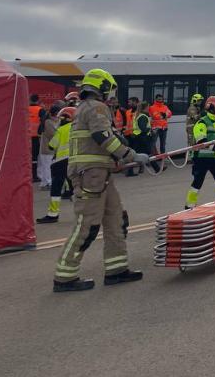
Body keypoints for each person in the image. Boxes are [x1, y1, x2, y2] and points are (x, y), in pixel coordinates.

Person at [52, 68, 149, 292]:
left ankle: (116, 269)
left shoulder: (85, 108)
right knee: (87, 226)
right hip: (91, 176)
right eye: (109, 89)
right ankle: (64, 277)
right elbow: (103, 137)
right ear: (102, 86)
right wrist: (131, 156)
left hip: (99, 174)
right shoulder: (96, 107)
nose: (111, 94)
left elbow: (103, 138)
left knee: (116, 220)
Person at [186, 96, 215, 209]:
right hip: (201, 158)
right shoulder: (201, 123)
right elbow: (202, 142)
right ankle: (189, 206)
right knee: (197, 183)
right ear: (210, 108)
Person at [37, 106, 75, 224]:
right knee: (77, 188)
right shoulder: (78, 128)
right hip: (76, 161)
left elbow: (52, 145)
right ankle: (88, 213)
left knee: (56, 188)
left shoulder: (61, 130)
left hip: (61, 162)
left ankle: (53, 214)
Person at [126, 101, 153, 177]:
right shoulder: (143, 116)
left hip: (137, 137)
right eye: (148, 106)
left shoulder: (138, 115)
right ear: (145, 107)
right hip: (142, 137)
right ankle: (156, 168)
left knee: (139, 153)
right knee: (147, 152)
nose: (149, 108)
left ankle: (131, 170)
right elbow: (143, 128)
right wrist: (149, 129)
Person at [38, 102, 60, 190]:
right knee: (47, 167)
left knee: (46, 166)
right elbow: (53, 134)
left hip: (49, 149)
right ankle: (48, 182)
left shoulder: (51, 121)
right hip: (47, 149)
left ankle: (44, 183)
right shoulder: (48, 122)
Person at [28, 94, 44, 183]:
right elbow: (44, 122)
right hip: (37, 137)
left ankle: (30, 175)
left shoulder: (25, 109)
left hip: (26, 137)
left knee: (29, 157)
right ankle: (35, 176)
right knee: (36, 157)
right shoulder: (40, 110)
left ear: (30, 100)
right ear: (38, 100)